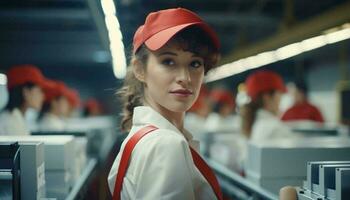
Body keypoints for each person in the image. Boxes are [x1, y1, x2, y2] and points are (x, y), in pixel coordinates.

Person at [108, 8, 223, 200]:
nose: (185, 78)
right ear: (139, 69)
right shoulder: (165, 145)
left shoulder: (144, 137)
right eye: (169, 61)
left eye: (195, 63)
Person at [240, 70, 294, 141]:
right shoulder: (275, 129)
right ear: (267, 97)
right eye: (279, 94)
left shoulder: (254, 124)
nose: (281, 99)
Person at [0, 65, 51, 135]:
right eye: (39, 91)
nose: (43, 97)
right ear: (26, 92)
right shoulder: (11, 122)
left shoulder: (16, 118)